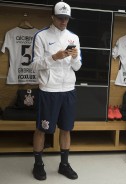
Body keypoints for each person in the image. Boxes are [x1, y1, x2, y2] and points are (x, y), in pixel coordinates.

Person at [31, 1, 82, 180]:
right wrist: (54, 57)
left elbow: (77, 67)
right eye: (60, 18)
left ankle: (64, 164)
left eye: (66, 18)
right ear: (52, 17)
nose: (63, 21)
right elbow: (34, 66)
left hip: (69, 89)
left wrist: (75, 58)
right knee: (42, 129)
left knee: (66, 128)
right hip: (48, 90)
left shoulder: (73, 38)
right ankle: (38, 164)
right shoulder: (41, 36)